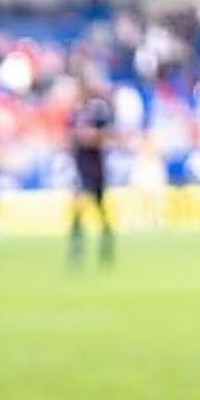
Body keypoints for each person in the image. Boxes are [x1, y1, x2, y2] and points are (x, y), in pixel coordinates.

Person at [68, 80, 115, 266]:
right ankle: (76, 253)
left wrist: (89, 135)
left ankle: (106, 250)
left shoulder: (98, 112)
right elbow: (72, 137)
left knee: (100, 211)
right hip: (80, 170)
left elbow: (104, 136)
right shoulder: (76, 114)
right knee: (77, 213)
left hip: (95, 171)